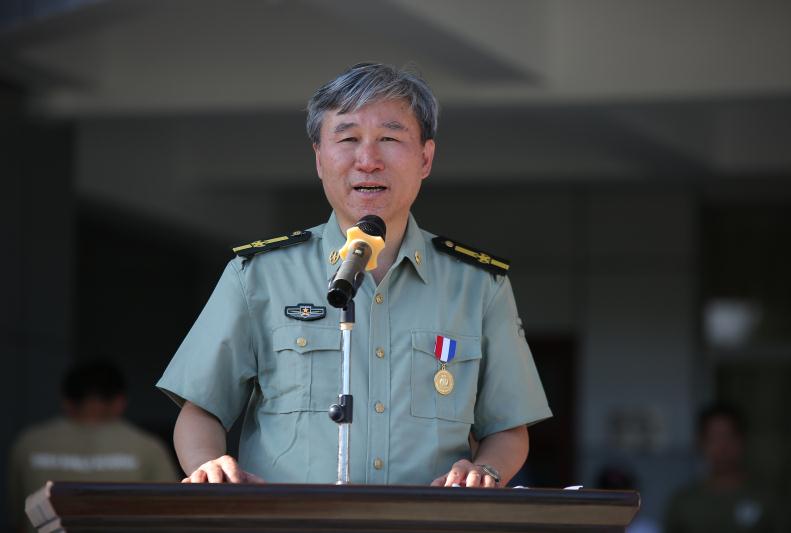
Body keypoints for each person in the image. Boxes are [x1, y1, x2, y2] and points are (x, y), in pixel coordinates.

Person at [157, 62, 552, 488]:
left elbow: (507, 427)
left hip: (427, 519)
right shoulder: (257, 277)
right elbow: (201, 409)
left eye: (389, 138)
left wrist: (485, 470)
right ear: (319, 159)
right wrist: (209, 466)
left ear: (425, 158)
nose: (368, 160)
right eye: (347, 139)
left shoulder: (478, 286)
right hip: (289, 519)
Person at [7, 359, 178, 533]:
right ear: (120, 402)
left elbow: (18, 517)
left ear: (66, 401)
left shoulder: (28, 443)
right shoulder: (148, 447)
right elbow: (170, 515)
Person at [663, 404, 778, 533]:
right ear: (701, 443)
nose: (722, 448)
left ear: (742, 440)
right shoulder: (684, 503)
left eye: (729, 437)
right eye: (714, 439)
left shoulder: (766, 499)